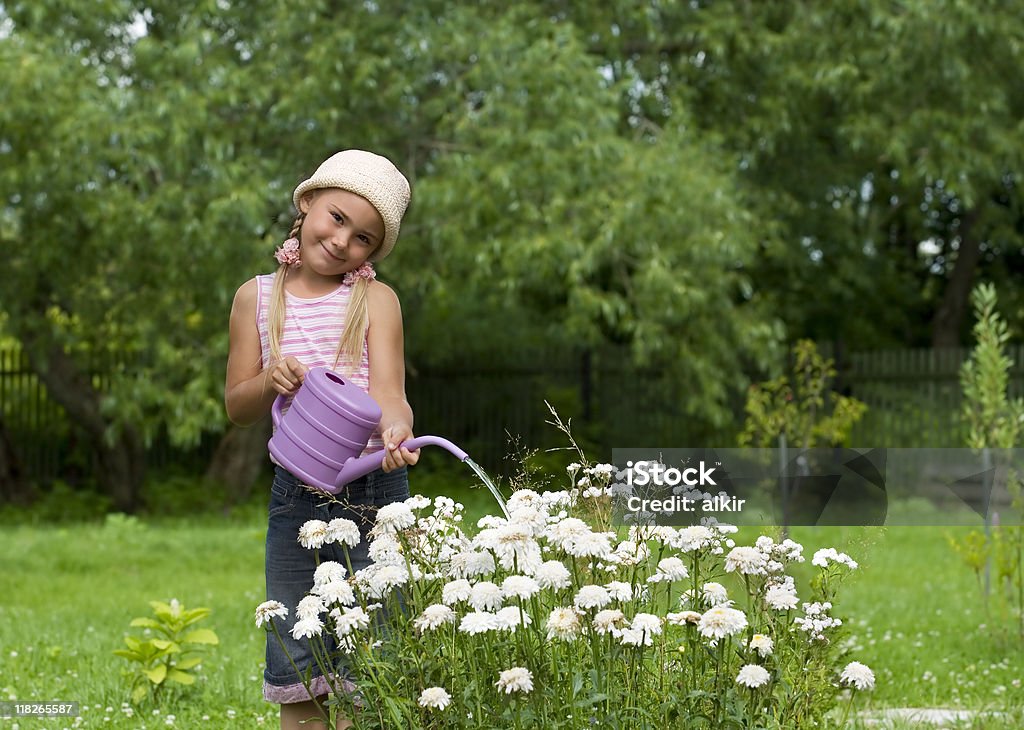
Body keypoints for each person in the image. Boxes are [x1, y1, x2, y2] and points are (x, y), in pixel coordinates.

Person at [224, 149, 420, 729]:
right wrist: (268, 381)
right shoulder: (256, 299)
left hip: (377, 492)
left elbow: (391, 393)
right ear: (307, 203)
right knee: (297, 654)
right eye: (336, 218)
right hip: (297, 496)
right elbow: (237, 405)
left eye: (362, 238)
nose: (342, 242)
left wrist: (396, 427)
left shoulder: (377, 301)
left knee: (376, 659)